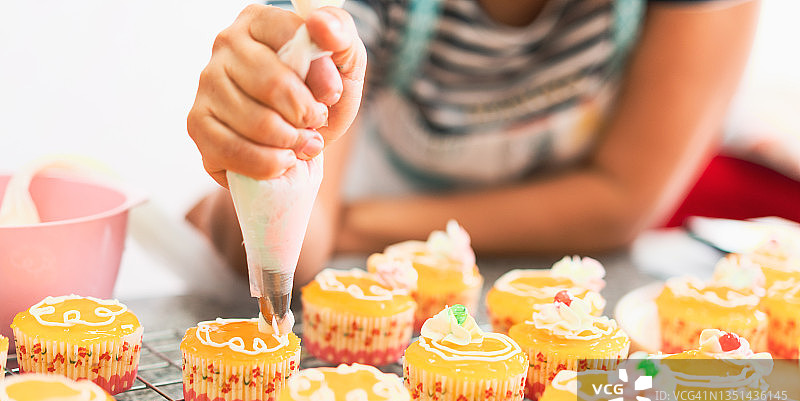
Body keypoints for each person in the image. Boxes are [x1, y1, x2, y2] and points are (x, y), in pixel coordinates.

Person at [186, 0, 761, 285]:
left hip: (591, 307)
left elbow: (619, 206)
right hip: (384, 294)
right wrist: (259, 171)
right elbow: (293, 254)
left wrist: (346, 224)